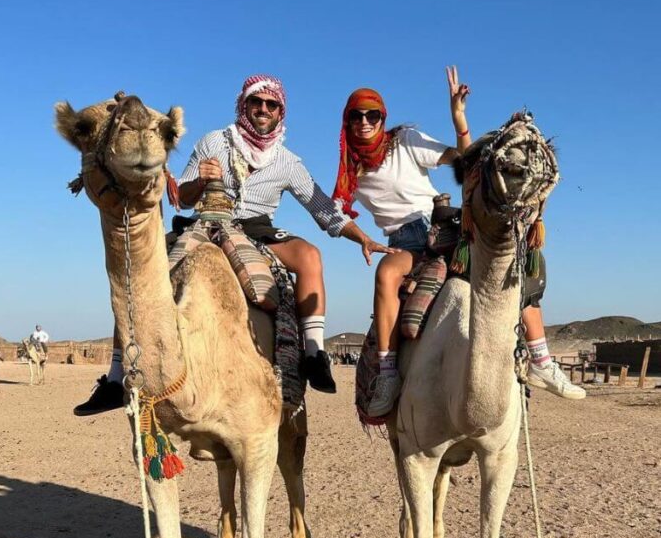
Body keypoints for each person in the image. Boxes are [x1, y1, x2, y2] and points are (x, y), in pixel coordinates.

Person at [74, 75, 392, 416]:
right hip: (205, 222)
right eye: (257, 102)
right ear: (244, 105)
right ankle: (117, 376)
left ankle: (314, 355)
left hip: (256, 229)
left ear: (280, 112)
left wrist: (363, 238)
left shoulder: (287, 162)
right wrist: (202, 179)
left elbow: (323, 210)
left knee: (310, 256)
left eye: (272, 105)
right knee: (139, 274)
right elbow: (181, 195)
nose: (263, 109)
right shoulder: (214, 142)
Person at [332, 69, 585, 417]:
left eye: (372, 114)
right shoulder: (349, 173)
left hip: (445, 222)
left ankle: (541, 359)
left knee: (509, 260)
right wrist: (363, 238)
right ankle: (388, 373)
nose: (365, 122)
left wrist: (458, 117)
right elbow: (333, 214)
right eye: (357, 116)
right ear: (347, 120)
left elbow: (464, 162)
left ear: (382, 117)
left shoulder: (405, 141)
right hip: (406, 242)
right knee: (387, 274)